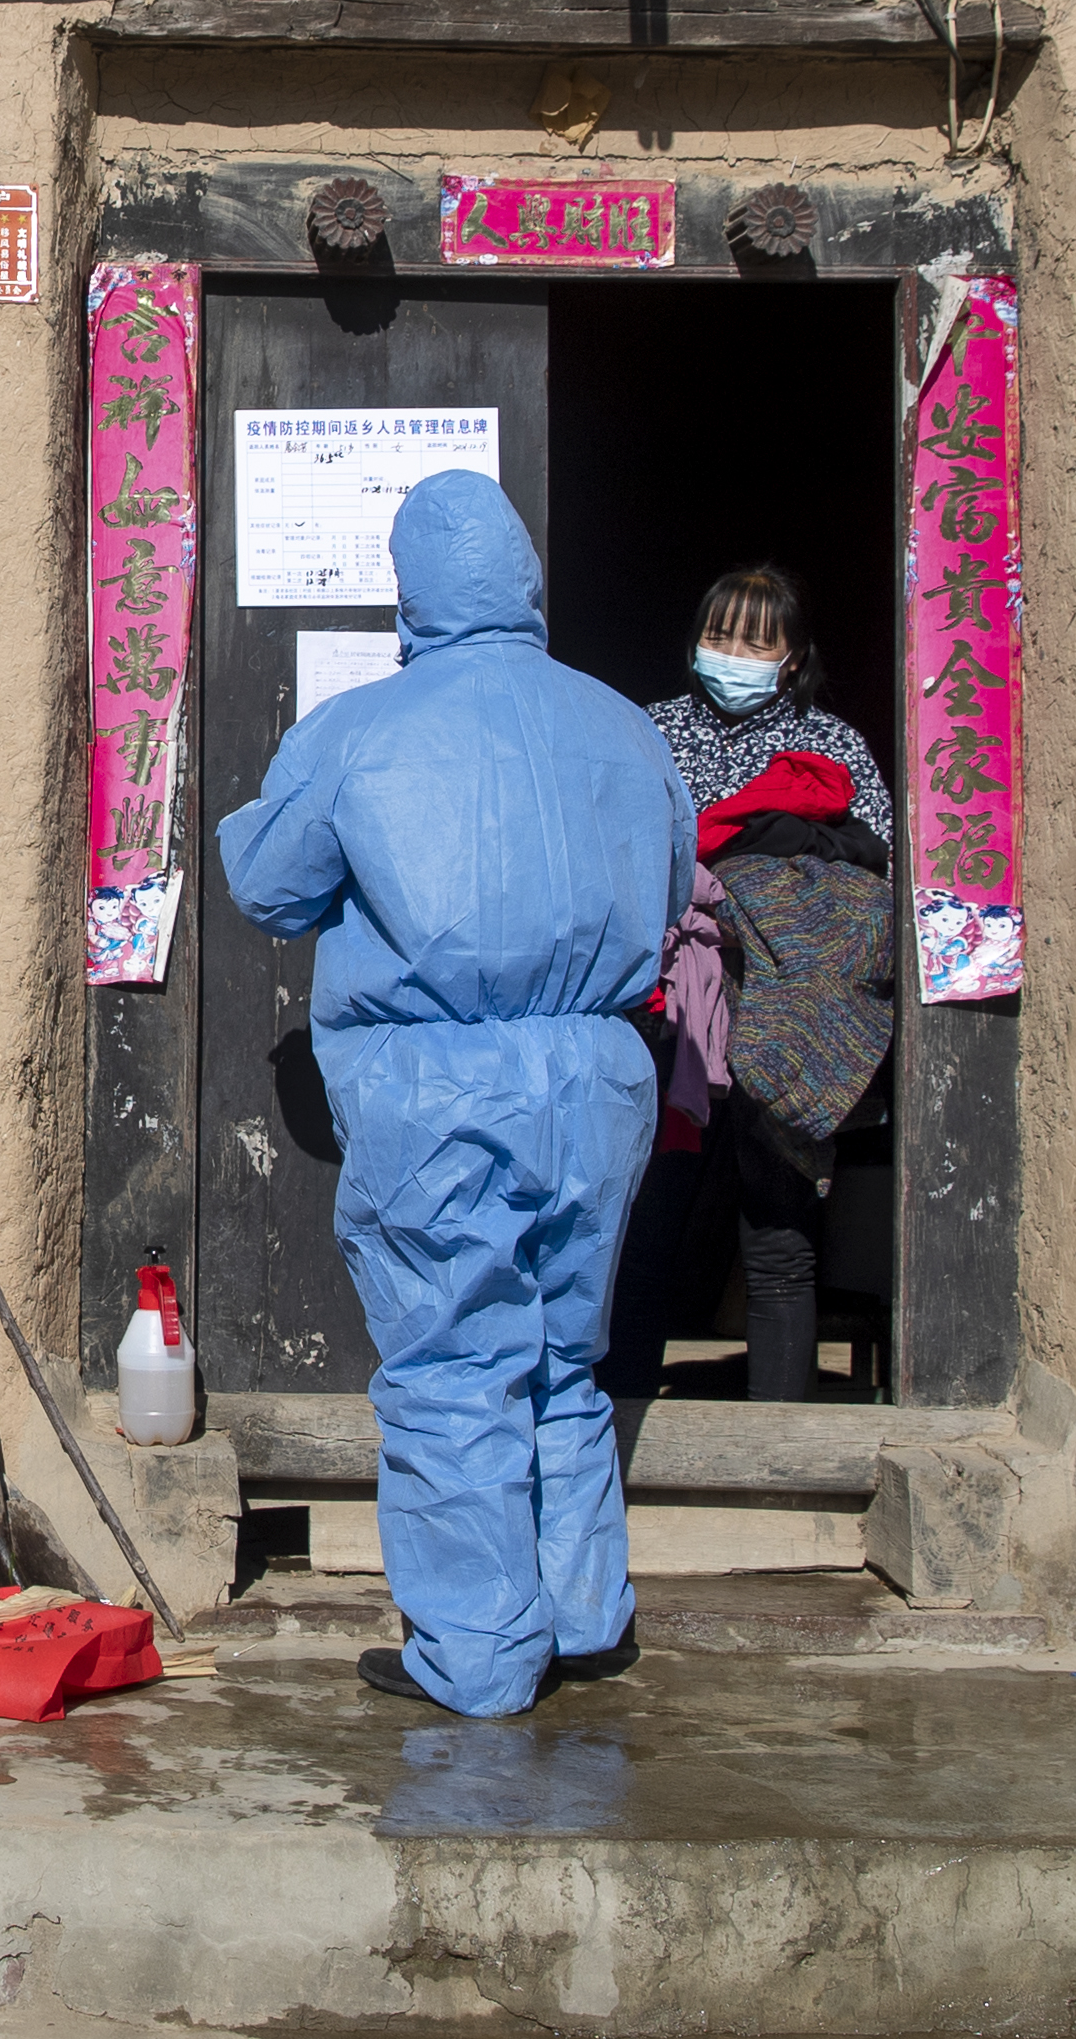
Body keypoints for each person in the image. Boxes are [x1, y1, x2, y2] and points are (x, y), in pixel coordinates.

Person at [216, 470, 695, 1718]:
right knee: (562, 1352)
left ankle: (479, 1654)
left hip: (436, 1084)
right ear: (523, 582)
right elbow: (671, 887)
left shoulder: (363, 728)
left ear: (410, 589)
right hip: (596, 1076)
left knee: (453, 1359)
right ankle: (582, 1613)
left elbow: (269, 885)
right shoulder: (625, 729)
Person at [602, 567, 896, 1405]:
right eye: (720, 635)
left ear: (792, 655)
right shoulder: (648, 733)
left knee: (778, 1236)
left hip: (791, 1020)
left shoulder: (832, 747)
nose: (733, 654)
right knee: (649, 1219)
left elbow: (876, 891)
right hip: (668, 1019)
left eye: (756, 640)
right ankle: (622, 1423)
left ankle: (783, 1446)